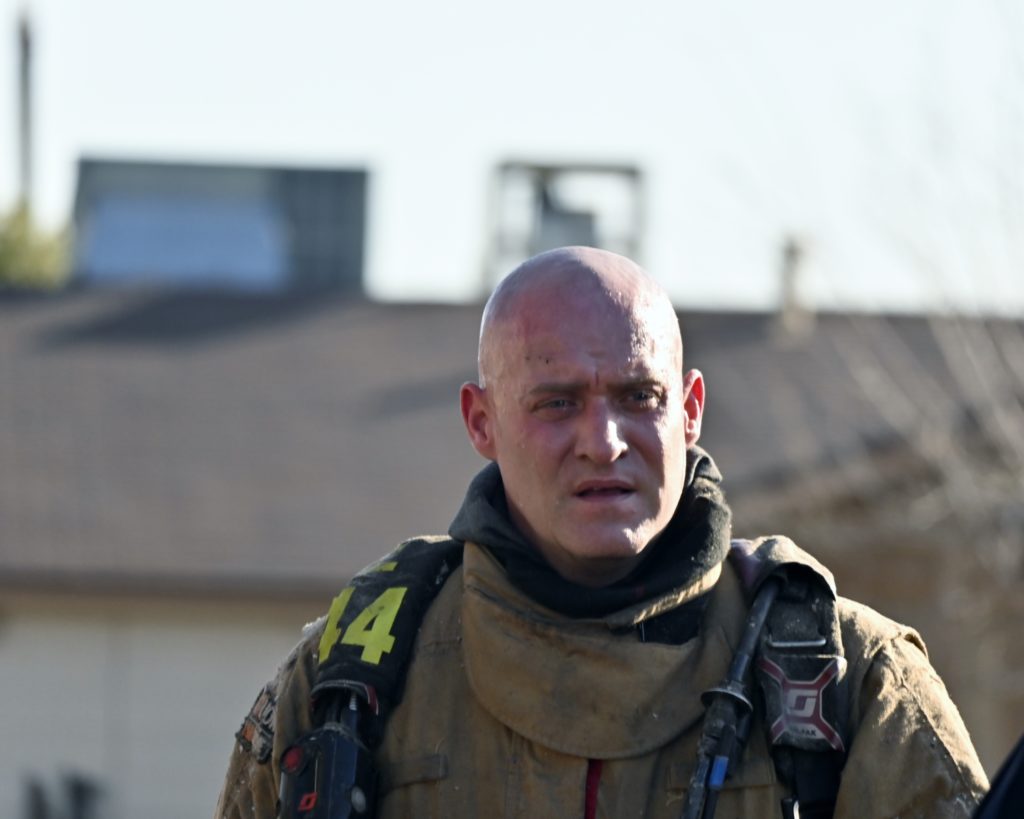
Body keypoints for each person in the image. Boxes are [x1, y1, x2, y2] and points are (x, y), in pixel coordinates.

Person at [216, 246, 988, 818]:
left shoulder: (855, 685)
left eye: (638, 395)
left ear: (689, 410)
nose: (604, 441)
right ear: (482, 422)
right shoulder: (346, 687)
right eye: (557, 402)